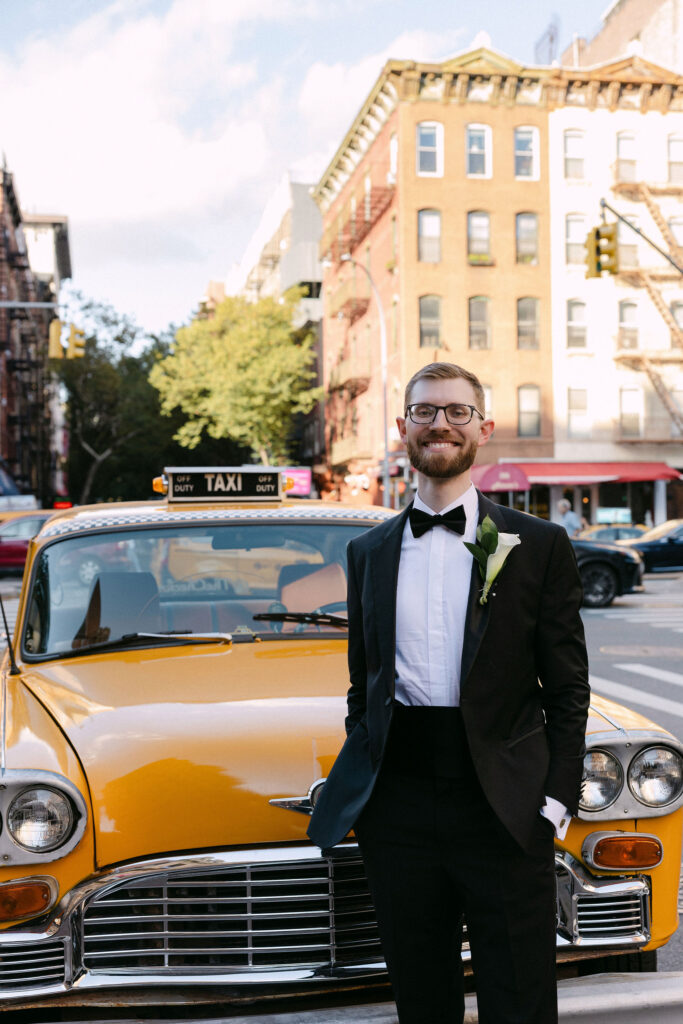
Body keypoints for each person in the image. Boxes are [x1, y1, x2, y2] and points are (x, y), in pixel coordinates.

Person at [308, 361, 590, 1024]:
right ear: (402, 427)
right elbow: (364, 683)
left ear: (483, 429)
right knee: (420, 997)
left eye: (456, 411)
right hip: (399, 806)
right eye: (425, 411)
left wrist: (554, 803)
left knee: (518, 997)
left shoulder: (535, 544)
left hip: (504, 803)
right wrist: (371, 792)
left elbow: (568, 686)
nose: (439, 423)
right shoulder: (368, 551)